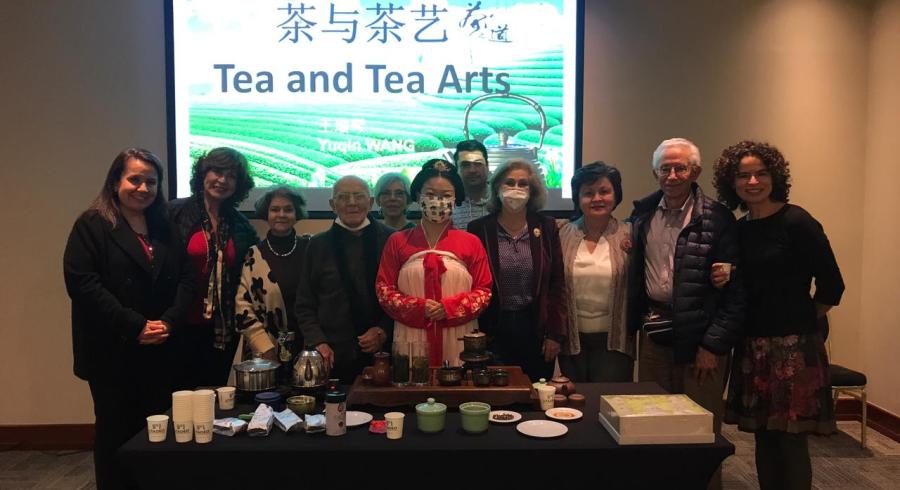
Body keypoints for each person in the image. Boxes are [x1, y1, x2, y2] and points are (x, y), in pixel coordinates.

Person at [712, 140, 843, 490]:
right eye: (743, 176)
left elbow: (832, 286)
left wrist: (802, 321)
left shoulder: (797, 222)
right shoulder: (740, 229)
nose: (753, 182)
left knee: (791, 439)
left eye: (761, 173)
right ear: (732, 182)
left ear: (775, 177)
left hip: (793, 348)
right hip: (752, 346)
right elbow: (750, 284)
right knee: (763, 435)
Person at [64, 148, 193, 489]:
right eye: (134, 179)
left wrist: (169, 321)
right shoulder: (92, 225)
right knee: (115, 433)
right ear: (115, 181)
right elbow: (83, 284)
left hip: (161, 346)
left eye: (151, 181)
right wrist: (135, 325)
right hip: (112, 349)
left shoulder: (165, 226)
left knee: (157, 432)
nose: (143, 188)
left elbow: (187, 280)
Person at [627, 138, 745, 490]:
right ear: (655, 173)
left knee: (700, 430)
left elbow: (735, 291)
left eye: (681, 168)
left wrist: (712, 346)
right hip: (655, 335)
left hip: (700, 341)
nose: (673, 175)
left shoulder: (718, 218)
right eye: (665, 168)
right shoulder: (642, 215)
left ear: (695, 171)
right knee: (652, 424)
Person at [376, 159, 492, 367]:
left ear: (456, 199)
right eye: (430, 194)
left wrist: (449, 308)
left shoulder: (471, 242)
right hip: (411, 334)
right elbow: (384, 290)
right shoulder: (397, 241)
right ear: (417, 196)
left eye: (446, 195)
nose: (438, 201)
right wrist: (419, 308)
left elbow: (484, 291)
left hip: (459, 334)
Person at [467, 158, 566, 381]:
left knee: (535, 392)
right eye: (509, 183)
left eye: (523, 184)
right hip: (493, 329)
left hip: (535, 329)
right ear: (497, 188)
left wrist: (555, 334)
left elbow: (557, 284)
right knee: (495, 393)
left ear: (532, 191)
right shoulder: (479, 229)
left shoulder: (546, 227)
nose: (516, 188)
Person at [169, 147, 258, 389]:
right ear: (203, 173)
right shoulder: (174, 213)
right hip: (179, 323)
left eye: (231, 176)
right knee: (178, 396)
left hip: (221, 330)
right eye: (217, 171)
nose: (223, 180)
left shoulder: (241, 225)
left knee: (213, 395)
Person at [295, 176, 394, 383]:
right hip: (332, 356)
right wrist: (318, 343)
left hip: (384, 354)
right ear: (332, 205)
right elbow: (305, 304)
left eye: (359, 196)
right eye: (343, 197)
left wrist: (383, 330)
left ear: (371, 202)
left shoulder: (391, 240)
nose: (352, 203)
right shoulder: (317, 245)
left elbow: (402, 296)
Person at [557, 162, 634, 382]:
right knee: (574, 399)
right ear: (577, 197)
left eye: (604, 191)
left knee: (609, 399)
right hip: (572, 340)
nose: (597, 198)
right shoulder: (562, 233)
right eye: (588, 193)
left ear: (616, 195)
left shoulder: (631, 233)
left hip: (615, 340)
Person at [235, 186, 309, 374]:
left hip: (309, 347)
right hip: (267, 352)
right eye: (275, 209)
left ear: (296, 214)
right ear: (266, 214)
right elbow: (243, 307)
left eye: (288, 209)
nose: (281, 215)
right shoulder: (254, 255)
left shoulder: (311, 248)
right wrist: (265, 348)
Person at [451, 140, 491, 229]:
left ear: (487, 166)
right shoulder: (449, 205)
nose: (472, 170)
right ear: (457, 168)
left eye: (478, 164)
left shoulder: (501, 200)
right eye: (465, 165)